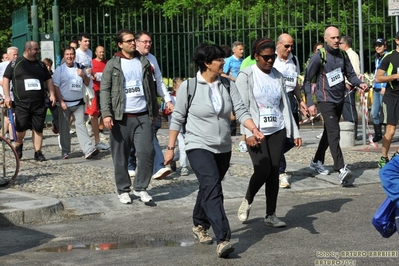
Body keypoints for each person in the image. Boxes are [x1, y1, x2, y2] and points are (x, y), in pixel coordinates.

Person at [164, 43, 264, 258]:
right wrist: (170, 148)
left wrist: (253, 128)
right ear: (207, 63)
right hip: (197, 144)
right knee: (212, 187)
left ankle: (199, 223)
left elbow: (241, 110)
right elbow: (177, 118)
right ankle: (223, 238)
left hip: (223, 146)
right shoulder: (189, 87)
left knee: (209, 186)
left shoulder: (227, 85)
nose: (223, 62)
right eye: (219, 59)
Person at [235, 37, 301, 227]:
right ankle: (248, 199)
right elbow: (242, 107)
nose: (270, 60)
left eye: (272, 56)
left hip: (277, 129)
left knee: (273, 171)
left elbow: (285, 106)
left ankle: (270, 214)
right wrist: (247, 134)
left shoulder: (278, 75)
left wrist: (294, 132)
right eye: (265, 57)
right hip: (256, 131)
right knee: (262, 169)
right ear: (256, 56)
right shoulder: (246, 75)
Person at [304, 26, 368, 186]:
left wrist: (360, 84)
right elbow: (307, 80)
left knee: (329, 132)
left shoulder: (343, 55)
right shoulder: (319, 57)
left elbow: (351, 75)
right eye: (332, 38)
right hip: (325, 100)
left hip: (340, 98)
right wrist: (310, 103)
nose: (336, 40)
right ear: (325, 39)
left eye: (338, 37)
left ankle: (317, 160)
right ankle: (341, 169)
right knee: (334, 132)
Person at [100, 29, 158, 204]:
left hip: (142, 115)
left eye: (134, 40)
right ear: (120, 44)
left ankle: (141, 187)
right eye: (128, 41)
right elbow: (105, 90)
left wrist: (154, 111)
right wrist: (106, 114)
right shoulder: (112, 64)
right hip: (121, 117)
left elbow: (151, 88)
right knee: (120, 156)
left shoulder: (144, 62)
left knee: (147, 152)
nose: (133, 43)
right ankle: (123, 189)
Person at [127, 31, 173, 180]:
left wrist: (167, 100)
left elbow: (159, 81)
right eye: (145, 42)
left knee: (150, 133)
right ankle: (129, 164)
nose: (148, 44)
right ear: (137, 42)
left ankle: (158, 166)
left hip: (147, 105)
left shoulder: (152, 59)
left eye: (149, 42)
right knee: (130, 137)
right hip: (130, 105)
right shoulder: (129, 59)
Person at [2, 41, 56, 161]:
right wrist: (7, 96)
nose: (38, 52)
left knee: (38, 128)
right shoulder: (16, 63)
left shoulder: (41, 65)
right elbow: (6, 79)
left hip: (39, 102)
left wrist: (52, 94)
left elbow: (48, 80)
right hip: (21, 102)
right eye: (36, 49)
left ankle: (38, 152)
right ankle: (19, 145)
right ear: (27, 50)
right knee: (20, 128)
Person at [273, 33, 308, 188]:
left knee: (294, 136)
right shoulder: (271, 60)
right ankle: (281, 173)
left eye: (291, 46)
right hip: (276, 100)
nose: (289, 49)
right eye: (286, 46)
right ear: (278, 44)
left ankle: (273, 156)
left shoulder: (294, 59)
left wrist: (301, 100)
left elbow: (295, 82)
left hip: (291, 98)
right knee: (280, 135)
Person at [52, 46, 99, 160]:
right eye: (67, 54)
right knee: (64, 128)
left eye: (71, 54)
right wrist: (61, 101)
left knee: (81, 126)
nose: (69, 56)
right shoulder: (60, 70)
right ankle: (65, 151)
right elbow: (56, 87)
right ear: (64, 56)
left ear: (74, 55)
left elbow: (88, 83)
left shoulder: (80, 67)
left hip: (78, 103)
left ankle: (88, 150)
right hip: (64, 104)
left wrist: (83, 75)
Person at [376, 31, 399, 168]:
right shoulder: (389, 57)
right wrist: (395, 76)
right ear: (397, 41)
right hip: (392, 96)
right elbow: (378, 78)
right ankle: (384, 156)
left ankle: (397, 154)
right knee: (391, 131)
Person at [86, 45, 110, 151]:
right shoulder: (92, 62)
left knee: (105, 110)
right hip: (95, 89)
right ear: (96, 53)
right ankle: (92, 125)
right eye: (100, 52)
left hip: (104, 89)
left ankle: (100, 129)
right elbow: (89, 73)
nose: (102, 53)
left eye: (103, 52)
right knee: (97, 112)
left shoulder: (107, 63)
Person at [166, 77, 189, 176]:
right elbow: (165, 111)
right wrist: (171, 110)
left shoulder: (186, 97)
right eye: (180, 88)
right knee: (182, 146)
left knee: (184, 146)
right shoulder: (170, 99)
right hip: (175, 127)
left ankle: (175, 159)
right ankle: (184, 166)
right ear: (175, 88)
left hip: (185, 126)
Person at [339, 36, 360, 139]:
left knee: (350, 109)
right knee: (345, 110)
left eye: (340, 43)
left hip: (348, 86)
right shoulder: (344, 55)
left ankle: (353, 133)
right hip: (343, 85)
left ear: (345, 44)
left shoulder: (352, 55)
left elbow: (355, 71)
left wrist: (349, 82)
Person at [0, 46, 18, 141]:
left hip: (16, 96)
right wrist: (2, 83)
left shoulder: (19, 65)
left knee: (11, 119)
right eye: (14, 54)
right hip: (5, 96)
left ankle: (10, 138)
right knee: (9, 118)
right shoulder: (3, 65)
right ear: (8, 55)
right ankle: (12, 138)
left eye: (17, 54)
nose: (16, 56)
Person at [371, 38, 388, 143]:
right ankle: (378, 134)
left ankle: (387, 135)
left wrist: (384, 86)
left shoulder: (387, 57)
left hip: (383, 87)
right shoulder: (377, 58)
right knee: (374, 113)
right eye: (376, 45)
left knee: (385, 113)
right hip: (376, 87)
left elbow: (388, 73)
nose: (377, 47)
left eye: (380, 45)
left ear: (385, 46)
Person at [42, 57, 59, 135]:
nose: (48, 67)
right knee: (41, 117)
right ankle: (39, 132)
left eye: (49, 66)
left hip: (52, 98)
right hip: (43, 98)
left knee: (56, 115)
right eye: (46, 65)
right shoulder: (40, 75)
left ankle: (57, 128)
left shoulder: (53, 75)